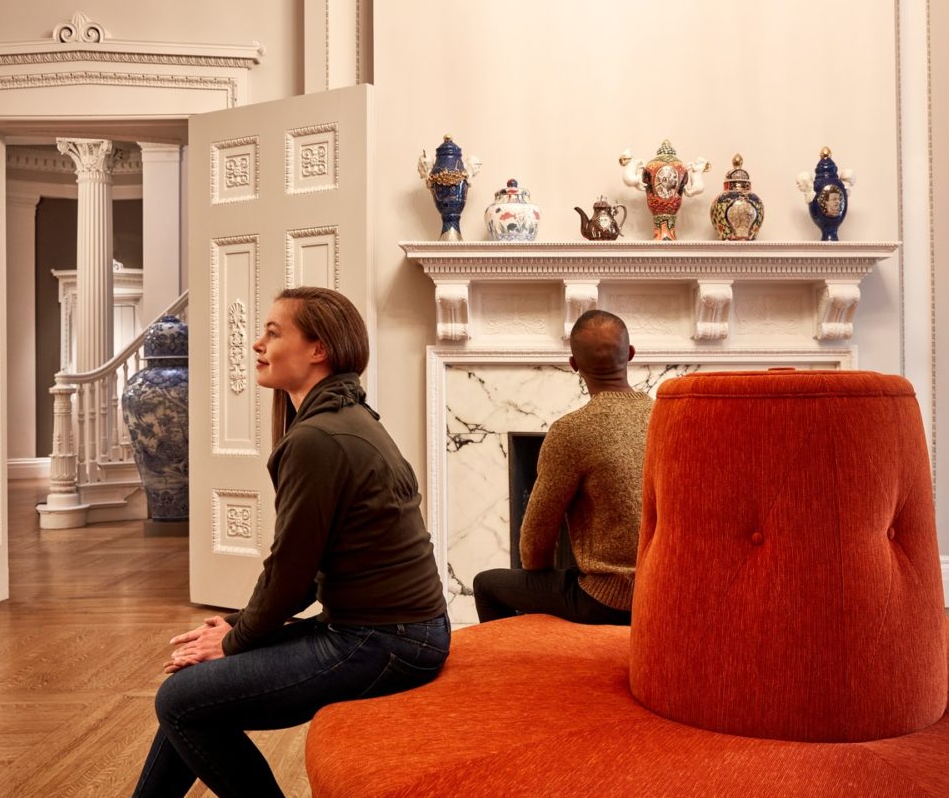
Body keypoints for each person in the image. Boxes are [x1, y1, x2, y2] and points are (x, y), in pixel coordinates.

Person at [132, 287, 448, 798]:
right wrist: (235, 627)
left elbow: (291, 573)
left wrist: (235, 640)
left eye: (274, 333)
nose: (257, 344)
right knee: (186, 693)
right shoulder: (345, 420)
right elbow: (306, 572)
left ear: (318, 349)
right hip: (393, 632)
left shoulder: (319, 439)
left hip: (384, 642)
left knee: (180, 702)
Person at [471, 310, 653, 626]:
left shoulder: (572, 430)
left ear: (574, 365)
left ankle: (518, 665)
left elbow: (536, 538)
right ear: (631, 355)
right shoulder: (665, 417)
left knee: (486, 585)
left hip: (606, 600)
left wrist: (537, 580)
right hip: (662, 589)